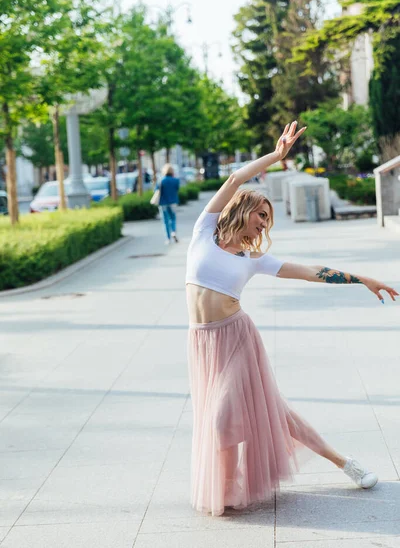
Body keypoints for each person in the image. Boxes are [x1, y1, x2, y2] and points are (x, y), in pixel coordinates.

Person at [185, 121, 398, 517]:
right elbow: (235, 177)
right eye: (261, 215)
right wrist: (277, 156)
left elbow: (312, 271)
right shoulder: (204, 230)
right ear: (244, 210)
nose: (264, 223)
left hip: (236, 339)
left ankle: (229, 490)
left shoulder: (254, 261)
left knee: (222, 420)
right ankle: (343, 461)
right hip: (202, 341)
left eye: (268, 219)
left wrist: (362, 279)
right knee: (277, 414)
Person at [158, 163, 180, 245]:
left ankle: (168, 238)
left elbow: (157, 190)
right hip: (173, 202)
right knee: (173, 218)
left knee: (165, 221)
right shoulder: (176, 180)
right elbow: (177, 189)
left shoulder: (161, 180)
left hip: (163, 203)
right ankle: (173, 232)